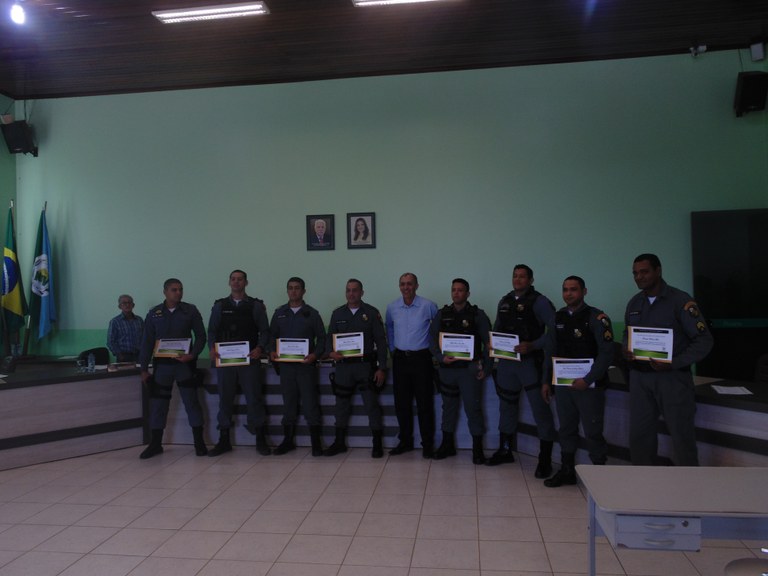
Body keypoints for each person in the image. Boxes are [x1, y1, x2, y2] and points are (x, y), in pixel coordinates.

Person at [623, 253, 713, 466]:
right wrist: (627, 349)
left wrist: (674, 362)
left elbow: (704, 341)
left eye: (644, 272)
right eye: (635, 273)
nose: (639, 277)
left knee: (682, 437)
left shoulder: (680, 301)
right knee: (639, 437)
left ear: (658, 271)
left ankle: (688, 484)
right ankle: (644, 482)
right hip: (640, 378)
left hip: (672, 379)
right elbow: (628, 334)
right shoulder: (635, 302)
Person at [541, 276, 613, 487]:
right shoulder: (557, 317)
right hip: (563, 385)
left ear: (584, 291)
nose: (568, 293)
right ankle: (567, 471)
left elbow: (606, 354)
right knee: (566, 428)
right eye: (565, 289)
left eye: (573, 289)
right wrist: (546, 381)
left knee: (593, 431)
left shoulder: (597, 318)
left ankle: (600, 477)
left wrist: (588, 379)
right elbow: (549, 352)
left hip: (589, 387)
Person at [488, 264, 557, 478]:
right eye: (515, 276)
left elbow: (555, 331)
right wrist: (492, 344)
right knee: (506, 406)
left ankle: (545, 459)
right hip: (507, 363)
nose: (517, 280)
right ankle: (505, 450)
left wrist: (534, 345)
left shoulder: (540, 302)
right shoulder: (505, 301)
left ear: (530, 280)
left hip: (530, 362)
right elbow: (497, 328)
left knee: (540, 409)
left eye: (522, 277)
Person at [138, 278, 207, 459]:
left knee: (191, 402)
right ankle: (155, 444)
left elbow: (201, 336)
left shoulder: (190, 310)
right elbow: (147, 342)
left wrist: (193, 354)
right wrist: (143, 369)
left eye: (180, 289)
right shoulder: (154, 313)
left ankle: (199, 443)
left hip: (184, 365)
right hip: (162, 367)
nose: (178, 293)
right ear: (165, 292)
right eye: (174, 290)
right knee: (158, 405)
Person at [207, 269, 271, 457]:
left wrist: (260, 348)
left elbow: (265, 331)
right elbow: (212, 331)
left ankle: (260, 440)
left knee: (254, 399)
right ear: (229, 282)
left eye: (240, 279)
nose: (236, 282)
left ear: (246, 282)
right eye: (233, 279)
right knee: (225, 400)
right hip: (225, 361)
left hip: (249, 361)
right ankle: (224, 440)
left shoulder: (255, 306)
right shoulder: (219, 306)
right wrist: (212, 348)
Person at [429, 278, 491, 465]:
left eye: (460, 290)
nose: (456, 293)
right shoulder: (442, 314)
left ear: (468, 294)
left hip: (469, 371)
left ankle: (477, 449)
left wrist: (486, 367)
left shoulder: (477, 315)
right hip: (448, 370)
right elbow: (432, 339)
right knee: (448, 408)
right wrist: (440, 357)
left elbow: (489, 344)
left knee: (473, 409)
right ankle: (447, 445)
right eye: (454, 290)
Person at [324, 278, 388, 458]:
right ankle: (339, 442)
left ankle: (377, 444)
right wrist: (330, 353)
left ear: (362, 292)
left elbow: (381, 342)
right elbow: (329, 338)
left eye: (355, 290)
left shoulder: (371, 313)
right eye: (348, 290)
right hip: (343, 368)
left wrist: (381, 368)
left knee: (371, 405)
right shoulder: (337, 313)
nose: (351, 293)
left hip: (365, 367)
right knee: (341, 406)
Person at [269, 277, 327, 456]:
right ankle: (288, 441)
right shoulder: (279, 313)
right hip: (286, 367)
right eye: (290, 288)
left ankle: (316, 443)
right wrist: (271, 351)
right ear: (287, 291)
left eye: (297, 288)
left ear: (303, 291)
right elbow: (271, 337)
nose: (293, 291)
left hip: (305, 367)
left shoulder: (312, 314)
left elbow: (322, 339)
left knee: (310, 404)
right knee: (289, 404)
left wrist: (315, 355)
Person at [385, 272, 438, 458]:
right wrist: (392, 349)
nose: (406, 287)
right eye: (402, 284)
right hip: (400, 360)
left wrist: (435, 352)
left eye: (409, 284)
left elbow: (437, 330)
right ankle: (405, 442)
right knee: (402, 404)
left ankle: (427, 444)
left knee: (424, 404)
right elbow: (389, 328)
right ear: (399, 286)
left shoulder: (428, 306)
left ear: (416, 286)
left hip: (422, 359)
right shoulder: (392, 307)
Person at [107, 294, 143, 362]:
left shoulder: (139, 320)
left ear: (133, 305)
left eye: (129, 302)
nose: (127, 305)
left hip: (139, 356)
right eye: (124, 303)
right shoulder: (115, 322)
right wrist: (119, 355)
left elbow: (144, 337)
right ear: (119, 306)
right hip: (123, 357)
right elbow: (110, 341)